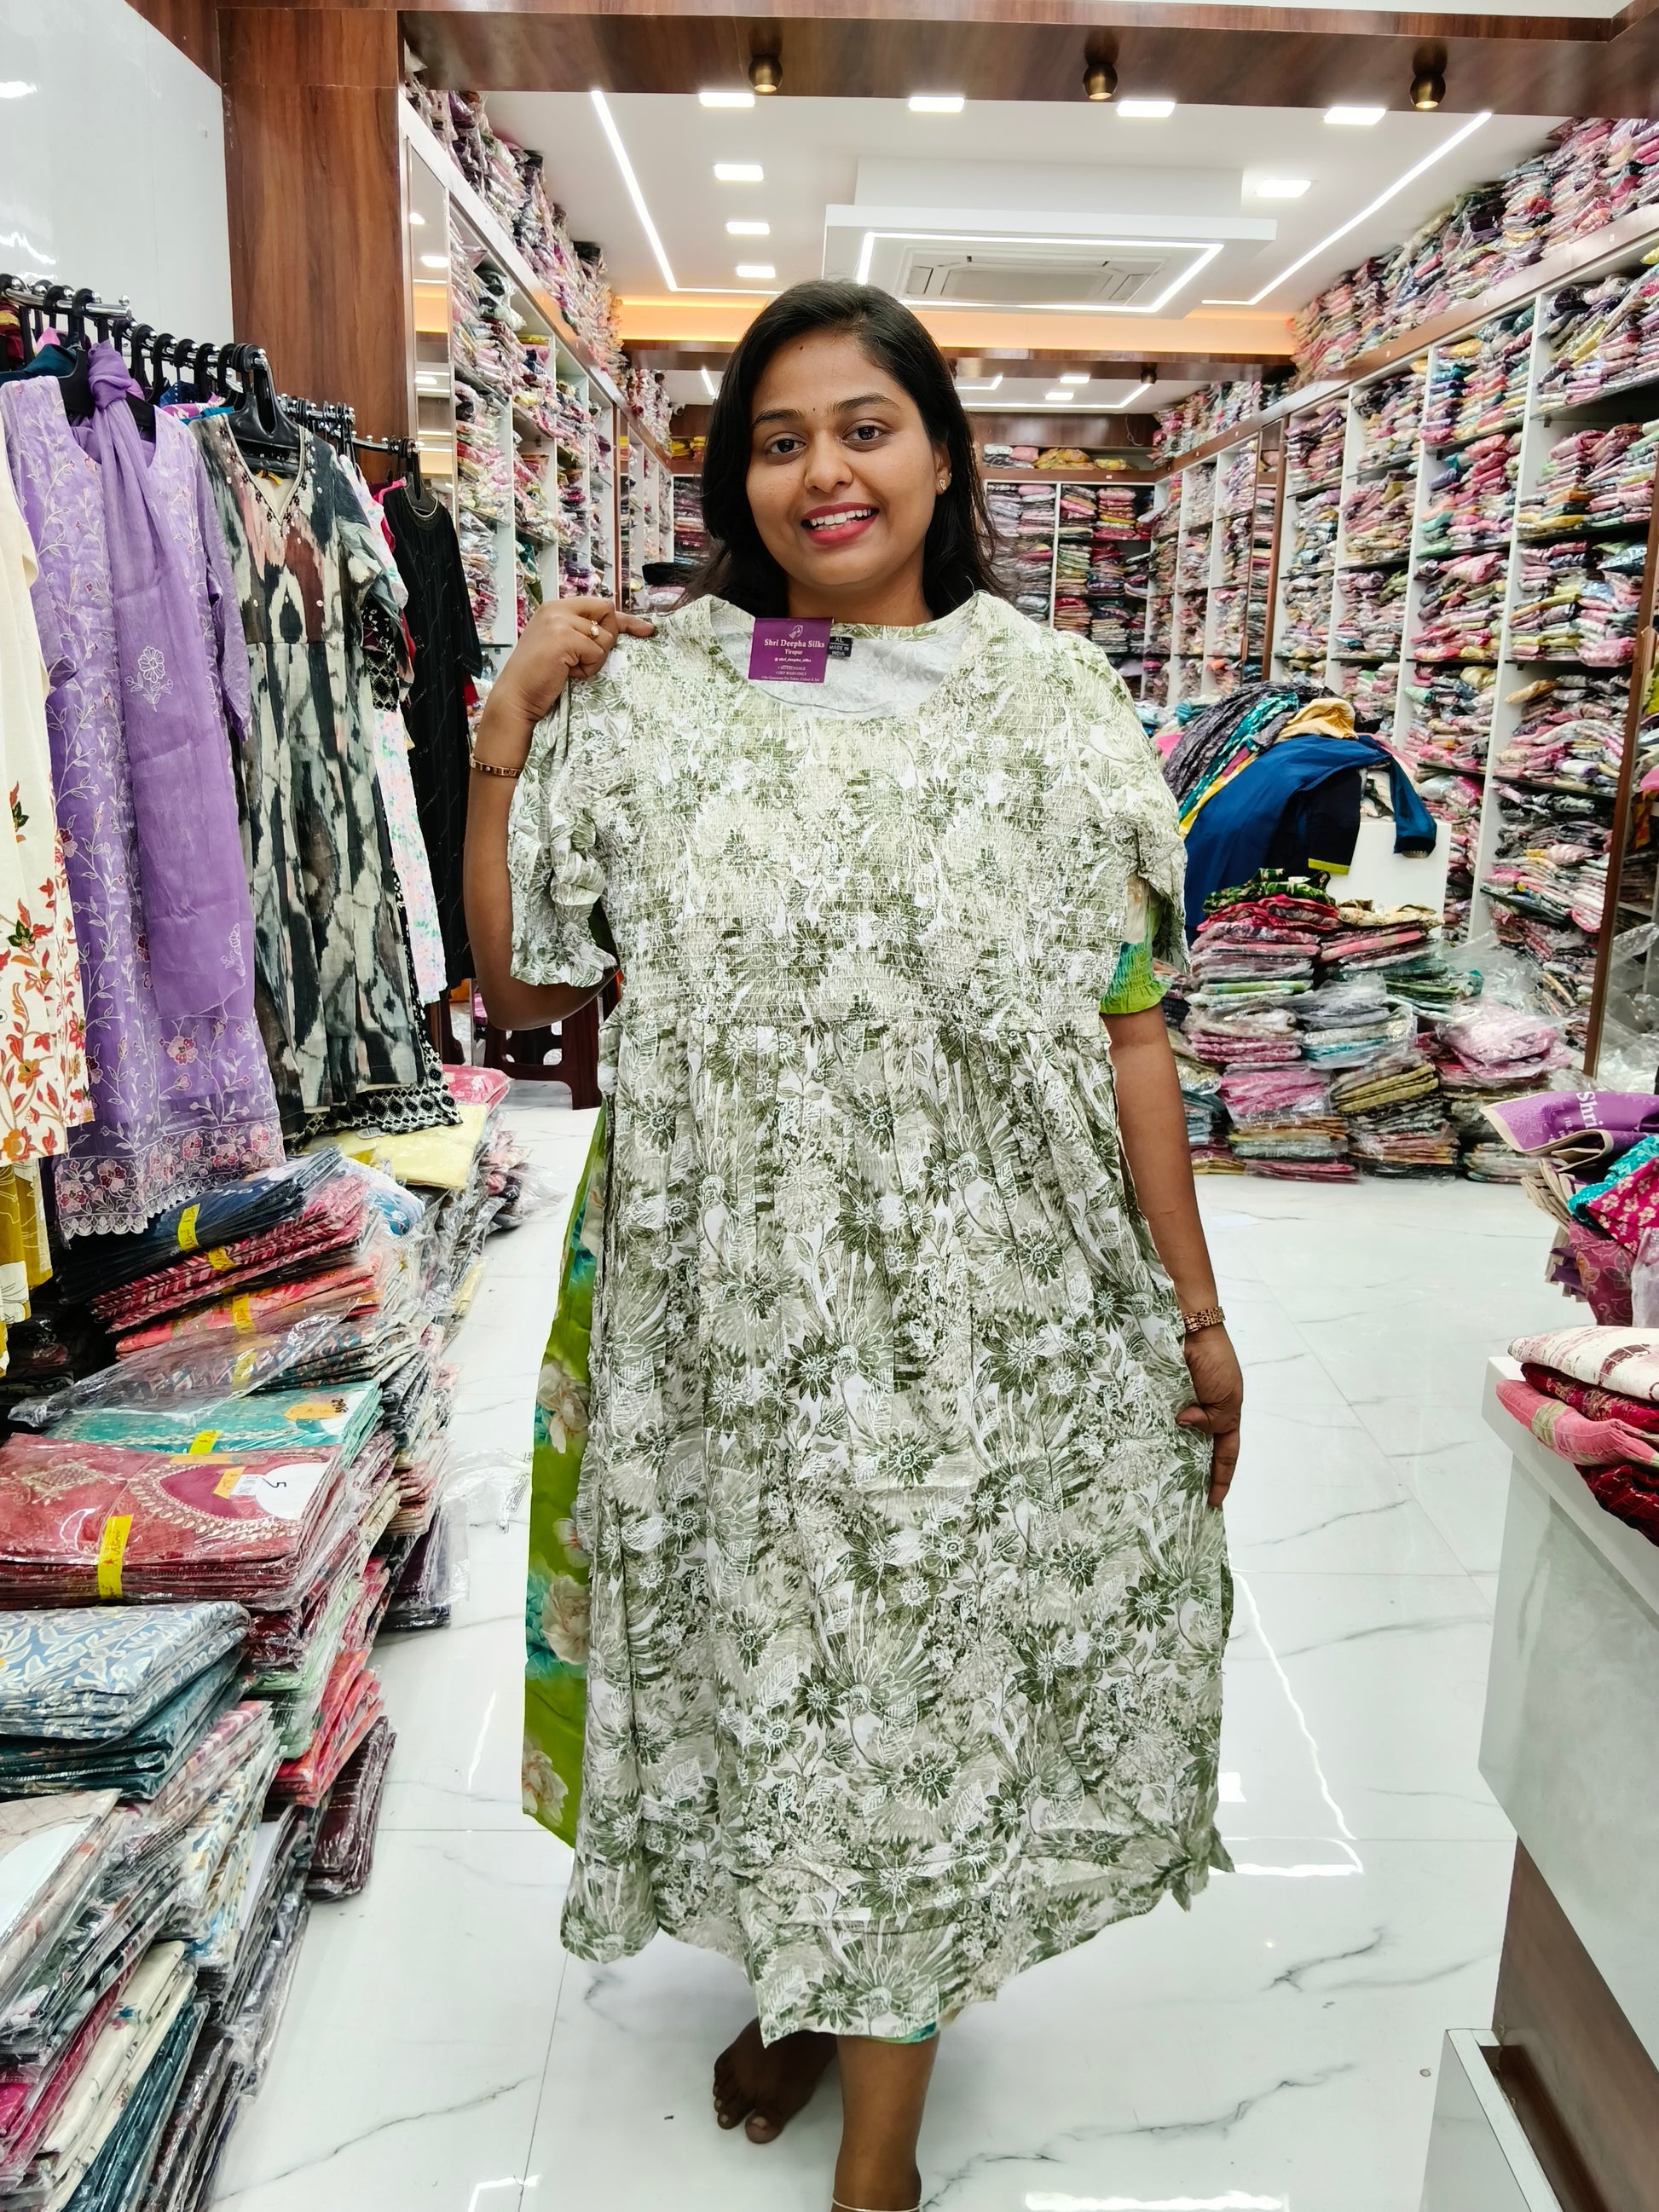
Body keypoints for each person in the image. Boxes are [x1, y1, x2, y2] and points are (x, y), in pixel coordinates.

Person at [464, 279, 1243, 2212]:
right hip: (728, 1306)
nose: (825, 470)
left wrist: (1197, 1312)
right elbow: (526, 983)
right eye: (779, 437)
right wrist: (501, 733)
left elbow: (1130, 1023)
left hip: (991, 1305)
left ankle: (879, 2154)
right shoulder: (657, 696)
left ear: (945, 454)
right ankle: (812, 1980)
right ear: (737, 477)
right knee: (776, 1653)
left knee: (922, 1671)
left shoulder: (1056, 703)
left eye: (865, 426)